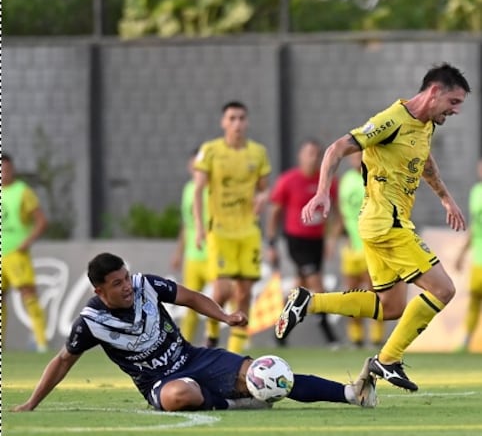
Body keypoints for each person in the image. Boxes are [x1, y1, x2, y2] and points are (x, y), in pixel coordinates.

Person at [275, 63, 471, 392]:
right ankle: (389, 359)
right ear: (434, 92)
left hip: (381, 224)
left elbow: (424, 162)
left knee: (390, 307)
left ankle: (308, 302)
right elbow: (336, 148)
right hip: (386, 223)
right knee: (444, 290)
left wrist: (446, 199)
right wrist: (323, 191)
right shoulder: (391, 120)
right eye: (453, 102)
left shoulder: (425, 125)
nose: (455, 111)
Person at [11, 252, 378, 412]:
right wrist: (32, 402)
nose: (127, 286)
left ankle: (350, 393)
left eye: (126, 277)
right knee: (177, 397)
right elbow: (62, 362)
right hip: (159, 381)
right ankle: (237, 402)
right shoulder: (91, 323)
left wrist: (224, 317)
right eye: (117, 283)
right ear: (99, 290)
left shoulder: (145, 285)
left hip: (194, 357)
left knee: (269, 373)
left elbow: (189, 296)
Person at [193, 101, 271, 353]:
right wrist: (199, 227)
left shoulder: (258, 152)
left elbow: (264, 188)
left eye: (241, 118)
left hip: (248, 231)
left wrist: (263, 197)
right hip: (221, 230)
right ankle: (213, 333)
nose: (237, 123)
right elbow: (197, 190)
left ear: (246, 122)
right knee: (223, 289)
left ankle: (235, 353)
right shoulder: (210, 151)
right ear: (223, 122)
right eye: (232, 118)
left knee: (245, 293)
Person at [265, 138, 339, 346]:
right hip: (296, 241)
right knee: (317, 285)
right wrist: (271, 243)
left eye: (317, 154)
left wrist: (332, 238)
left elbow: (336, 213)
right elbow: (274, 212)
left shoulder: (327, 182)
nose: (313, 158)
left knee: (300, 289)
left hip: (317, 240)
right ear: (300, 156)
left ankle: (279, 333)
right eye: (309, 153)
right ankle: (329, 335)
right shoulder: (288, 180)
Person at [1, 152, 48, 352]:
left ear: (12, 170)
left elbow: (41, 221)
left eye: (7, 169)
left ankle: (40, 342)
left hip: (16, 253)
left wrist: (26, 242)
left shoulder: (22, 191)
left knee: (27, 294)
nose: (4, 173)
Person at [337, 151, 384, 348]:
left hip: (370, 245)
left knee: (373, 292)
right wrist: (336, 237)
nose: (357, 159)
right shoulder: (345, 181)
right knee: (351, 292)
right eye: (354, 155)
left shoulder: (374, 177)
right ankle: (356, 337)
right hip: (351, 246)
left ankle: (376, 337)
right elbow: (342, 212)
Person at [170, 147, 214, 343]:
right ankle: (184, 345)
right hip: (193, 257)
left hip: (214, 254)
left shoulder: (213, 189)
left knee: (219, 300)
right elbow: (186, 224)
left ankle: (216, 341)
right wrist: (178, 253)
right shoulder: (188, 190)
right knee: (189, 305)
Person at [454, 158, 482, 351]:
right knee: (474, 299)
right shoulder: (475, 193)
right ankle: (466, 340)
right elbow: (474, 227)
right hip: (478, 258)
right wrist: (462, 254)